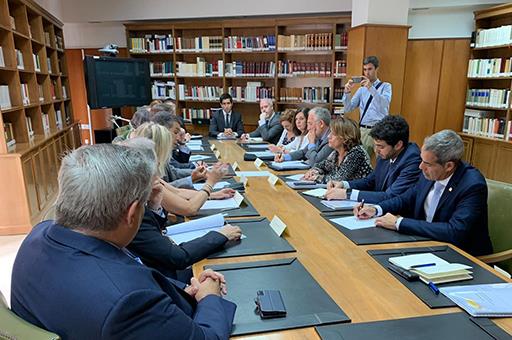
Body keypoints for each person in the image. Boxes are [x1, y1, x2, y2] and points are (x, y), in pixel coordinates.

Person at [10, 143, 236, 339]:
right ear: (133, 213)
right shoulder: (130, 303)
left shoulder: (38, 235)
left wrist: (184, 291)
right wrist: (209, 297)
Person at [355, 130, 493, 256]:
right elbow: (406, 199)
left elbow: (455, 231)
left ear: (449, 166)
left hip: (460, 256)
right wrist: (376, 209)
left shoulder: (472, 185)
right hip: (424, 245)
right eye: (421, 160)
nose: (420, 167)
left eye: (427, 163)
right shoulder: (429, 174)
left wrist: (399, 223)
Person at [122, 137, 242, 282]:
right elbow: (178, 257)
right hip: (162, 279)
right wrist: (220, 235)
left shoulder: (139, 193)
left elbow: (175, 195)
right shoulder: (132, 209)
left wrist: (154, 206)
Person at [325, 115, 421, 203]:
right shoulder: (386, 154)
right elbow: (370, 181)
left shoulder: (412, 160)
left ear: (398, 145)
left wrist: (347, 194)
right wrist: (343, 184)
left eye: (381, 146)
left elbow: (390, 195)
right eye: (375, 145)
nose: (376, 151)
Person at [343, 56, 392, 158]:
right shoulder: (361, 90)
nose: (367, 73)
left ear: (376, 69)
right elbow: (348, 108)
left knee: (382, 162)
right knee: (362, 162)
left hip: (380, 130)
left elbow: (384, 104)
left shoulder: (386, 86)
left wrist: (371, 88)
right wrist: (347, 93)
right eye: (365, 69)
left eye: (370, 69)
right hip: (364, 130)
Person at [303, 117, 372, 183]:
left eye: (333, 134)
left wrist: (316, 177)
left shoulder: (357, 153)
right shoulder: (336, 153)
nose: (328, 136)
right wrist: (313, 171)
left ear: (345, 137)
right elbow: (321, 166)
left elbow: (338, 179)